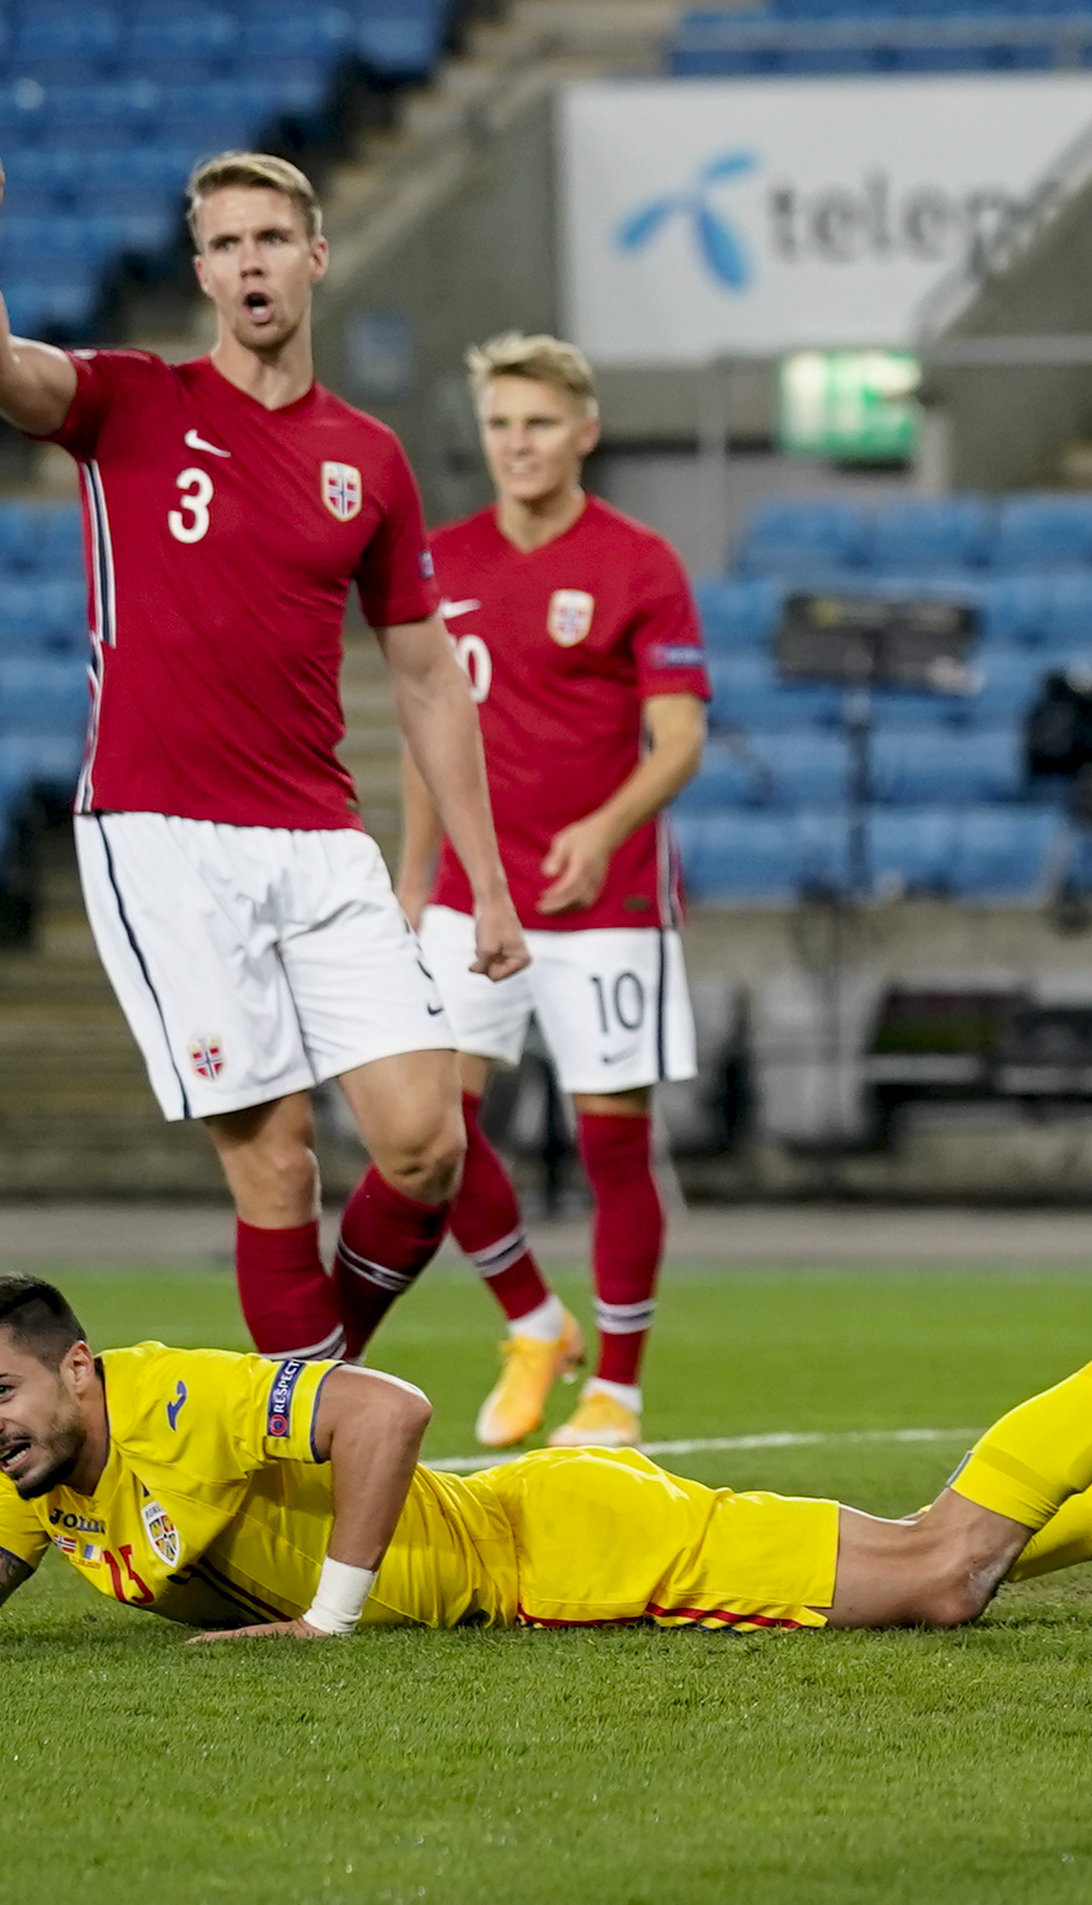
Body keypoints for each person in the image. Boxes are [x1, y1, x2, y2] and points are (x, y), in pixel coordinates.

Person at [0, 93, 529, 1367]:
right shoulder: (131, 401)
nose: (250, 262)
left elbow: (427, 677)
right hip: (164, 831)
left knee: (427, 1143)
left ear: (314, 257)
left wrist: (485, 882)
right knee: (277, 1166)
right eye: (226, 244)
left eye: (271, 239)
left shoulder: (367, 457)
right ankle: (309, 1437)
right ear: (200, 270)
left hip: (318, 835)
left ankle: (309, 1388)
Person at [0, 1245, 1092, 1651]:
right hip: (547, 1540)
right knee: (932, 1554)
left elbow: (385, 1409)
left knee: (942, 1570)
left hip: (566, 1543)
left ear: (77, 1369)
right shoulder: (43, 1474)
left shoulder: (173, 1400)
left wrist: (324, 1615)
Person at [392, 333, 712, 1452]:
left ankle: (615, 1391)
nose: (516, 444)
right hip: (469, 897)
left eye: (537, 423)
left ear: (584, 431)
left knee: (611, 1144)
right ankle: (533, 1322)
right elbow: (424, 732)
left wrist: (603, 824)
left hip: (606, 898)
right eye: (498, 424)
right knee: (431, 1129)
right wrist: (409, 876)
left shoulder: (638, 563)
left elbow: (679, 739)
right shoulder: (437, 560)